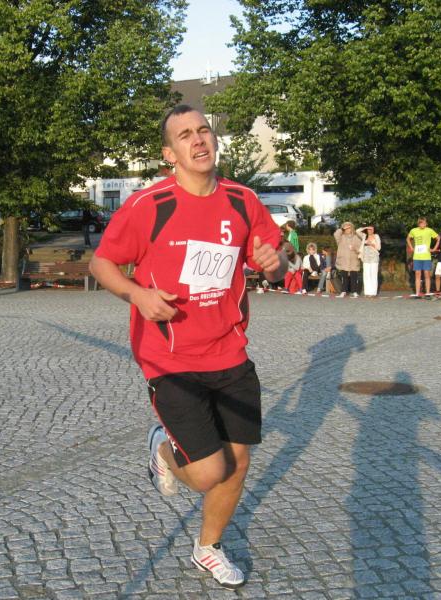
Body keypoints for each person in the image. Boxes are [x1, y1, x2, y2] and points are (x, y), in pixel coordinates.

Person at [89, 105, 286, 589]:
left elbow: (277, 262)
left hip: (230, 351)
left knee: (238, 463)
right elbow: (101, 264)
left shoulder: (243, 200)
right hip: (169, 357)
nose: (198, 140)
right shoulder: (149, 205)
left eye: (203, 131)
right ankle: (162, 447)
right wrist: (137, 295)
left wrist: (275, 262)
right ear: (169, 154)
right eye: (185, 135)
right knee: (206, 473)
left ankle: (208, 548)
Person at [406, 217, 440, 298]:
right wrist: (411, 248)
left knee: (427, 274)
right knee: (417, 274)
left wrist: (434, 249)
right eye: (421, 223)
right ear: (418, 223)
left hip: (426, 257)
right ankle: (417, 293)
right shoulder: (414, 230)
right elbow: (408, 239)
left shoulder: (429, 230)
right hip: (417, 256)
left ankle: (427, 293)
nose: (423, 224)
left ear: (426, 223)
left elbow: (438, 238)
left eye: (424, 223)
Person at [334, 221, 361, 297]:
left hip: (353, 259)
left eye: (349, 227)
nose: (347, 229)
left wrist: (354, 248)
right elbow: (336, 234)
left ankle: (354, 291)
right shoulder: (341, 237)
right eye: (346, 228)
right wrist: (342, 228)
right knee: (344, 276)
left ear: (352, 228)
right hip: (343, 260)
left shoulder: (356, 237)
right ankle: (343, 291)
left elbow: (360, 249)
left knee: (354, 276)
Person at [357, 225, 381, 297]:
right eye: (369, 229)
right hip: (366, 257)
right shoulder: (364, 236)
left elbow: (379, 248)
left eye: (372, 229)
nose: (370, 231)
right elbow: (357, 231)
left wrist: (371, 244)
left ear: (374, 230)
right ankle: (367, 292)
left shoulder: (376, 236)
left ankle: (373, 293)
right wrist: (365, 227)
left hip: (374, 257)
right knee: (366, 274)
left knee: (373, 274)